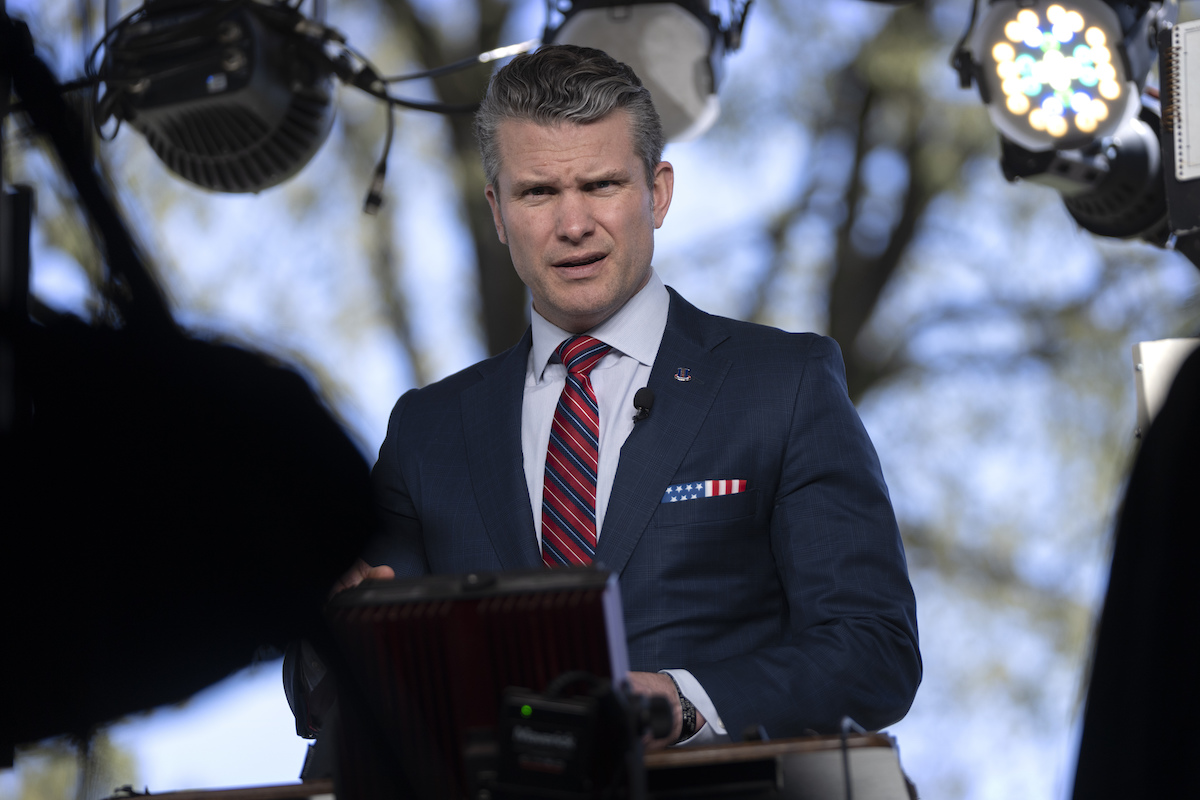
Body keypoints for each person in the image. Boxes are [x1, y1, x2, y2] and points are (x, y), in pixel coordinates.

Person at [339, 44, 920, 749]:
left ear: (659, 191)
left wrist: (683, 702)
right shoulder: (426, 432)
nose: (574, 223)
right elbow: (336, 693)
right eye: (538, 193)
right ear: (497, 210)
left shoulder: (783, 384)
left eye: (603, 185)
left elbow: (873, 650)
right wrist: (335, 630)